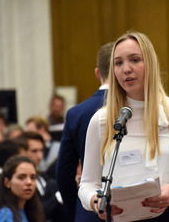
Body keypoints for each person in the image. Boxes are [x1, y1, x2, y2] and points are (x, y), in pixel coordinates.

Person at [78, 31, 169, 222]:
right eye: (118, 63)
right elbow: (87, 185)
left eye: (134, 60)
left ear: (149, 63)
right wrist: (95, 201)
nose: (126, 69)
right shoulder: (101, 120)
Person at [56, 41, 114, 222]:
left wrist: (77, 210)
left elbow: (64, 172)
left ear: (97, 73)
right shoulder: (140, 107)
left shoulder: (76, 113)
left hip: (91, 209)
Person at [0, 155, 44, 222]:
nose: (29, 182)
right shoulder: (5, 214)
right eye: (21, 177)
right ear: (7, 182)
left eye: (33, 177)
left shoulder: (30, 211)